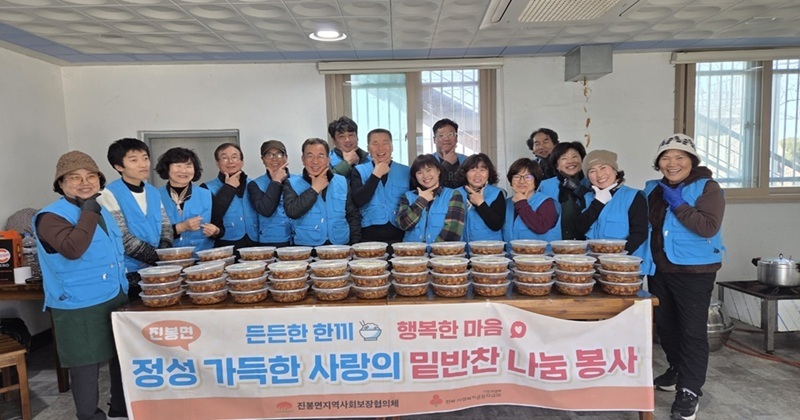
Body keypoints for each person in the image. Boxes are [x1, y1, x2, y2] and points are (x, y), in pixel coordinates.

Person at [35, 151, 128, 420]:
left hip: (113, 294)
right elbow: (72, 249)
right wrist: (88, 212)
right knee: (85, 364)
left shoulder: (101, 211)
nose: (85, 182)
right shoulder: (50, 216)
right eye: (74, 177)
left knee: (119, 356)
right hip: (78, 302)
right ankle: (89, 415)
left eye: (91, 176)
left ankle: (121, 408)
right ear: (61, 184)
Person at [644, 134, 725, 420]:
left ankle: (690, 390)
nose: (672, 163)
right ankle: (677, 369)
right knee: (665, 325)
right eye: (665, 158)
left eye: (680, 157)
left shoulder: (708, 187)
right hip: (659, 268)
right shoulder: (652, 188)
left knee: (691, 331)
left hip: (694, 271)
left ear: (692, 161)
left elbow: (708, 227)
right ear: (658, 163)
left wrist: (678, 204)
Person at [98, 138, 172, 301]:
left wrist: (163, 253)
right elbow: (122, 237)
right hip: (129, 273)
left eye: (145, 158)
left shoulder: (153, 192)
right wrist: (160, 259)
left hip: (157, 271)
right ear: (118, 166)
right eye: (134, 160)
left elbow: (165, 225)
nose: (143, 164)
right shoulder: (108, 194)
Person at [575, 150, 652, 273]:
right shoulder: (587, 198)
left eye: (603, 167)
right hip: (593, 265)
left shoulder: (634, 196)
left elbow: (640, 233)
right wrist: (598, 202)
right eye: (592, 171)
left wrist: (615, 259)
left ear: (615, 170)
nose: (599, 175)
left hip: (625, 266)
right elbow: (580, 228)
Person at [283, 138, 361, 246]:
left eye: (320, 156)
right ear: (303, 159)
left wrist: (354, 244)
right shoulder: (292, 183)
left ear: (328, 160)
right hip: (307, 248)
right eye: (310, 156)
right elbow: (292, 212)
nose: (315, 161)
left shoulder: (341, 181)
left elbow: (352, 215)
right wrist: (314, 189)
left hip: (340, 247)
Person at [155, 147, 220, 254]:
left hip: (202, 258)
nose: (184, 171)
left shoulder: (206, 194)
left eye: (188, 166)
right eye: (178, 166)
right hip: (168, 258)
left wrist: (215, 231)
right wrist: (181, 227)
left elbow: (220, 228)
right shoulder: (155, 196)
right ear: (167, 168)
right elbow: (150, 233)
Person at [351, 128, 410, 244]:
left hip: (401, 238)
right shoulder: (358, 171)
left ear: (392, 147)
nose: (380, 148)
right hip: (368, 238)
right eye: (375, 144)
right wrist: (376, 175)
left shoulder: (406, 171)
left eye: (385, 143)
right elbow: (358, 200)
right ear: (368, 148)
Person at [201, 143, 259, 250]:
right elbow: (211, 218)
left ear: (242, 162)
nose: (230, 161)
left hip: (254, 242)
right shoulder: (206, 188)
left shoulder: (254, 184)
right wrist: (228, 188)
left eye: (234, 157)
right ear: (217, 163)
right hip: (225, 243)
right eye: (224, 158)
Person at [396, 154, 465, 243]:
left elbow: (453, 232)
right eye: (419, 172)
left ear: (439, 171)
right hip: (412, 251)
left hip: (442, 251)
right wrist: (421, 201)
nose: (425, 176)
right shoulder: (407, 196)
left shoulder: (453, 195)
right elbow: (403, 225)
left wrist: (434, 250)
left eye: (428, 170)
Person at [538, 141, 591, 240]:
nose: (570, 161)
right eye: (564, 158)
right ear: (556, 165)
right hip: (554, 242)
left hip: (585, 242)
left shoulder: (591, 183)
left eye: (574, 157)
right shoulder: (545, 186)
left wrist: (579, 189)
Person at [502, 158, 560, 247]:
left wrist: (522, 203)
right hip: (511, 254)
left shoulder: (547, 202)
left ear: (535, 180)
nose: (522, 181)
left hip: (540, 254)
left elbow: (541, 227)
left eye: (528, 177)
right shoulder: (506, 203)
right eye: (517, 177)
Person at [247, 140, 293, 247]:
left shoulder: (298, 181)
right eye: (269, 155)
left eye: (279, 154)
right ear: (263, 160)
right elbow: (265, 210)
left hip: (299, 239)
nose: (274, 159)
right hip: (272, 241)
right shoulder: (255, 184)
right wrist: (276, 181)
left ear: (286, 157)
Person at [454, 153, 505, 243]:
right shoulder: (455, 193)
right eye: (473, 170)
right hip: (461, 248)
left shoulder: (496, 193)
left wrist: (480, 203)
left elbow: (497, 225)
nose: (477, 174)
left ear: (489, 173)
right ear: (465, 173)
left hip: (488, 248)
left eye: (482, 170)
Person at [432, 118, 468, 188]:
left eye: (451, 134)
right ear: (434, 140)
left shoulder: (467, 161)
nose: (446, 139)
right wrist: (447, 163)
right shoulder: (427, 162)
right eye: (441, 135)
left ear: (456, 138)